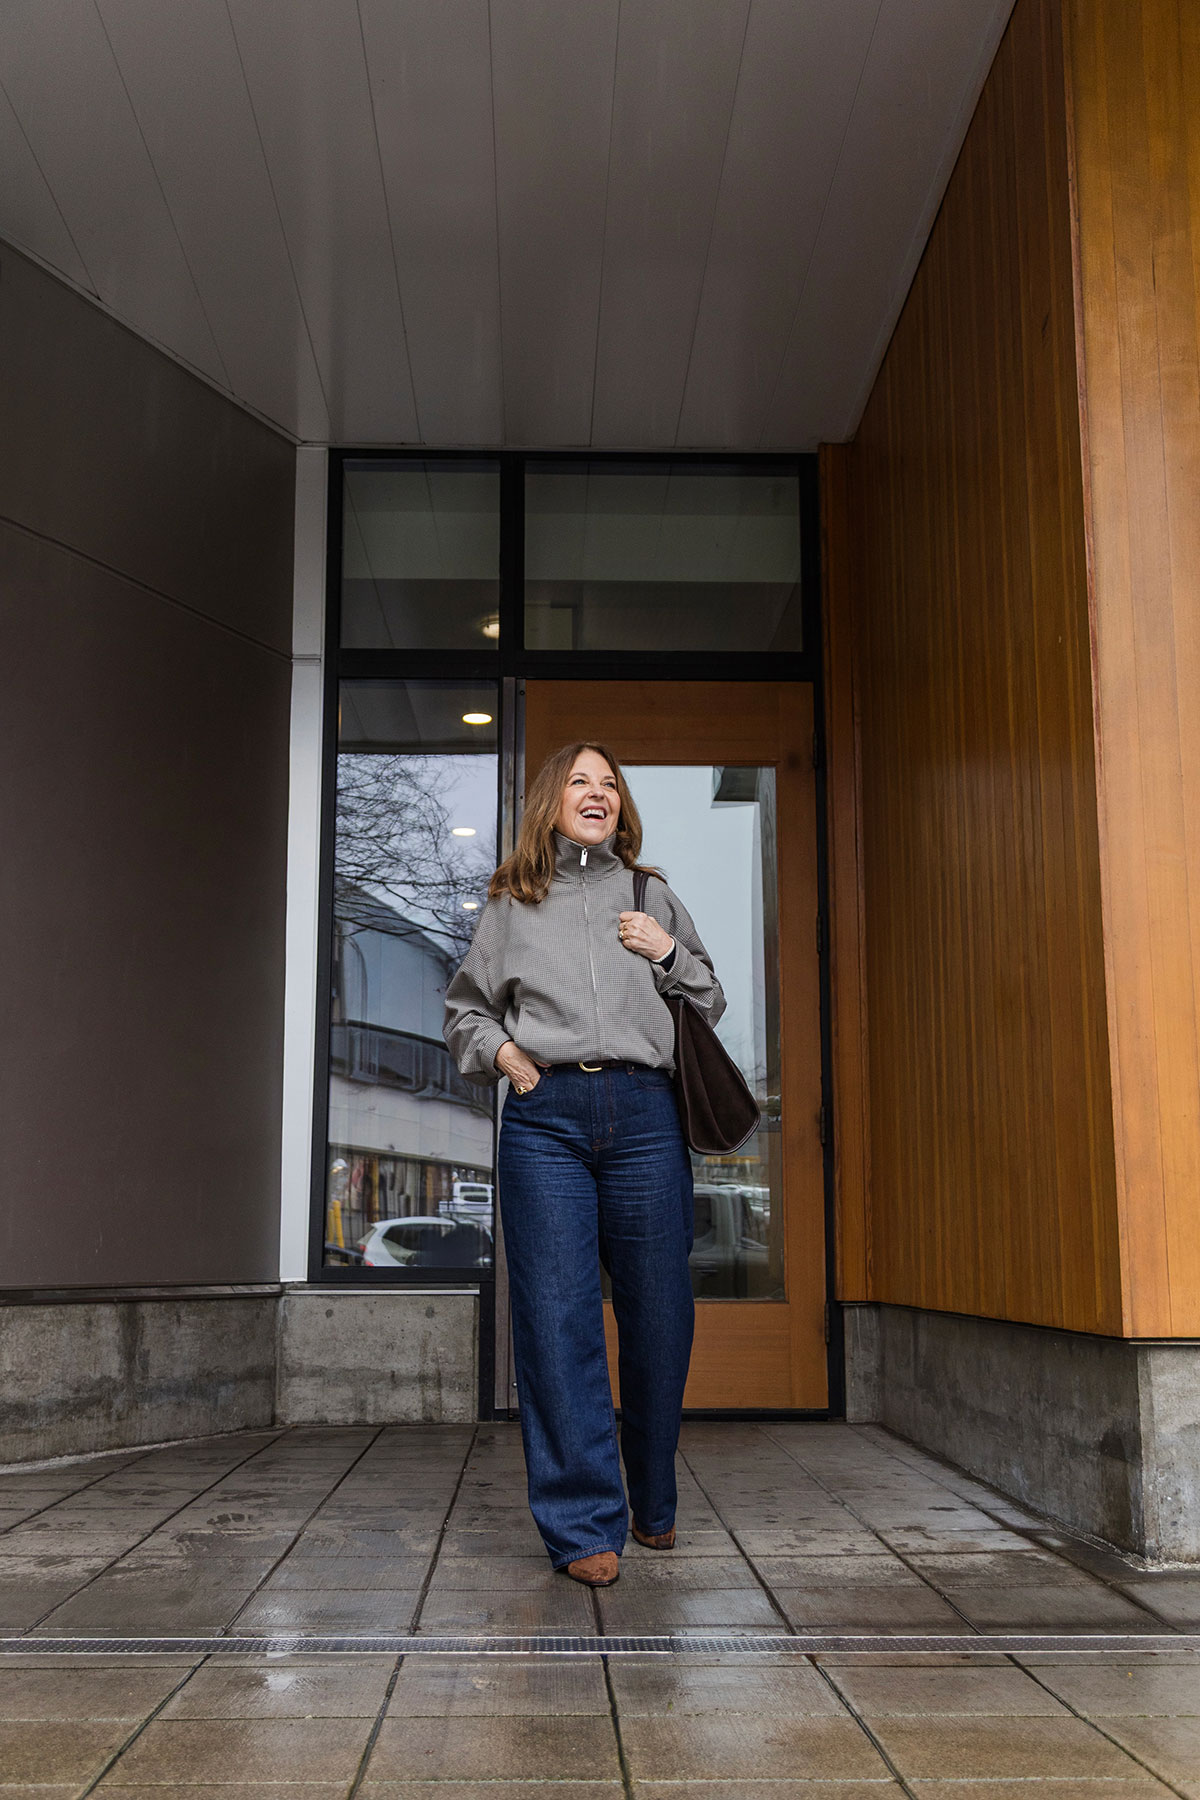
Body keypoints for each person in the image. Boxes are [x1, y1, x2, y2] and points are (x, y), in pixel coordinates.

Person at [443, 742, 726, 1588]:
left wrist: (666, 953)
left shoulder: (652, 893)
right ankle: (582, 1525)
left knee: (658, 1315)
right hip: (547, 1120)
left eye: (609, 785)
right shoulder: (511, 902)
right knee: (557, 1319)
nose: (596, 794)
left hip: (644, 1114)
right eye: (580, 782)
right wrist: (503, 1055)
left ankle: (653, 1494)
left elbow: (709, 994)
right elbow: (463, 1012)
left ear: (620, 807)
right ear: (551, 802)